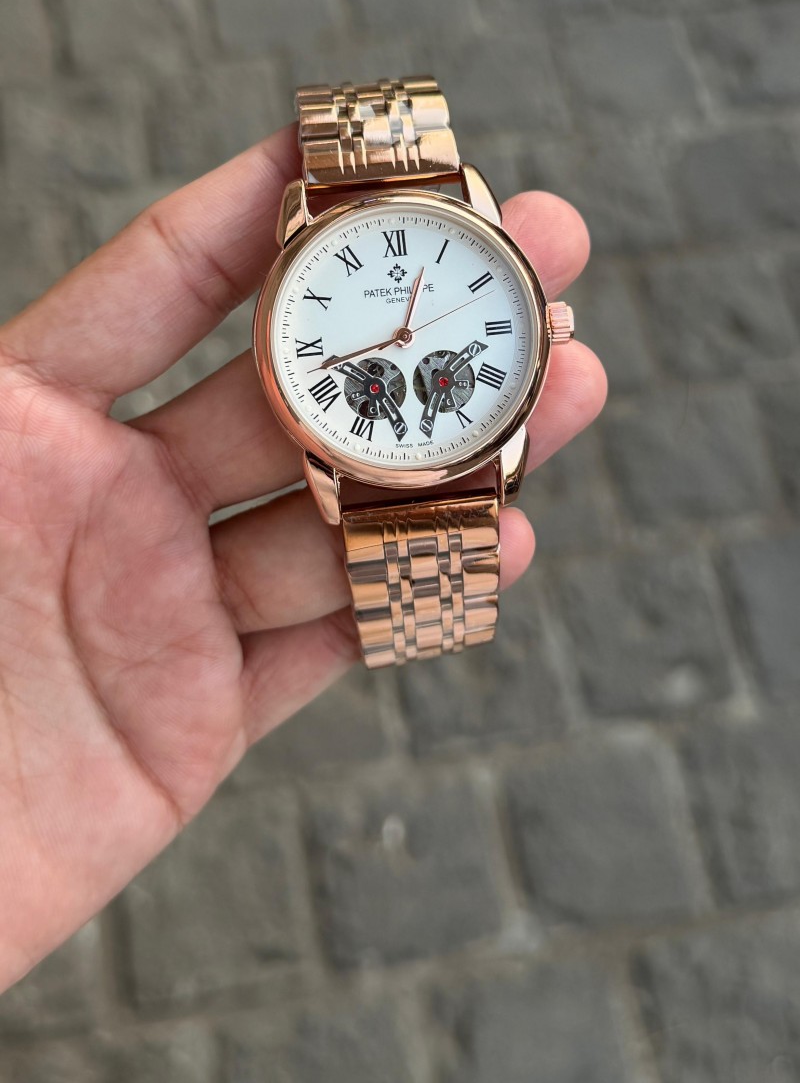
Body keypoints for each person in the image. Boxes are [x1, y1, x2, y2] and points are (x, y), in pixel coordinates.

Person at [0, 124, 606, 994]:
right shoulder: (345, 290)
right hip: (364, 450)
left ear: (543, 326)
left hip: (459, 445)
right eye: (396, 335)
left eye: (413, 330)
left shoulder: (460, 259)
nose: (403, 338)